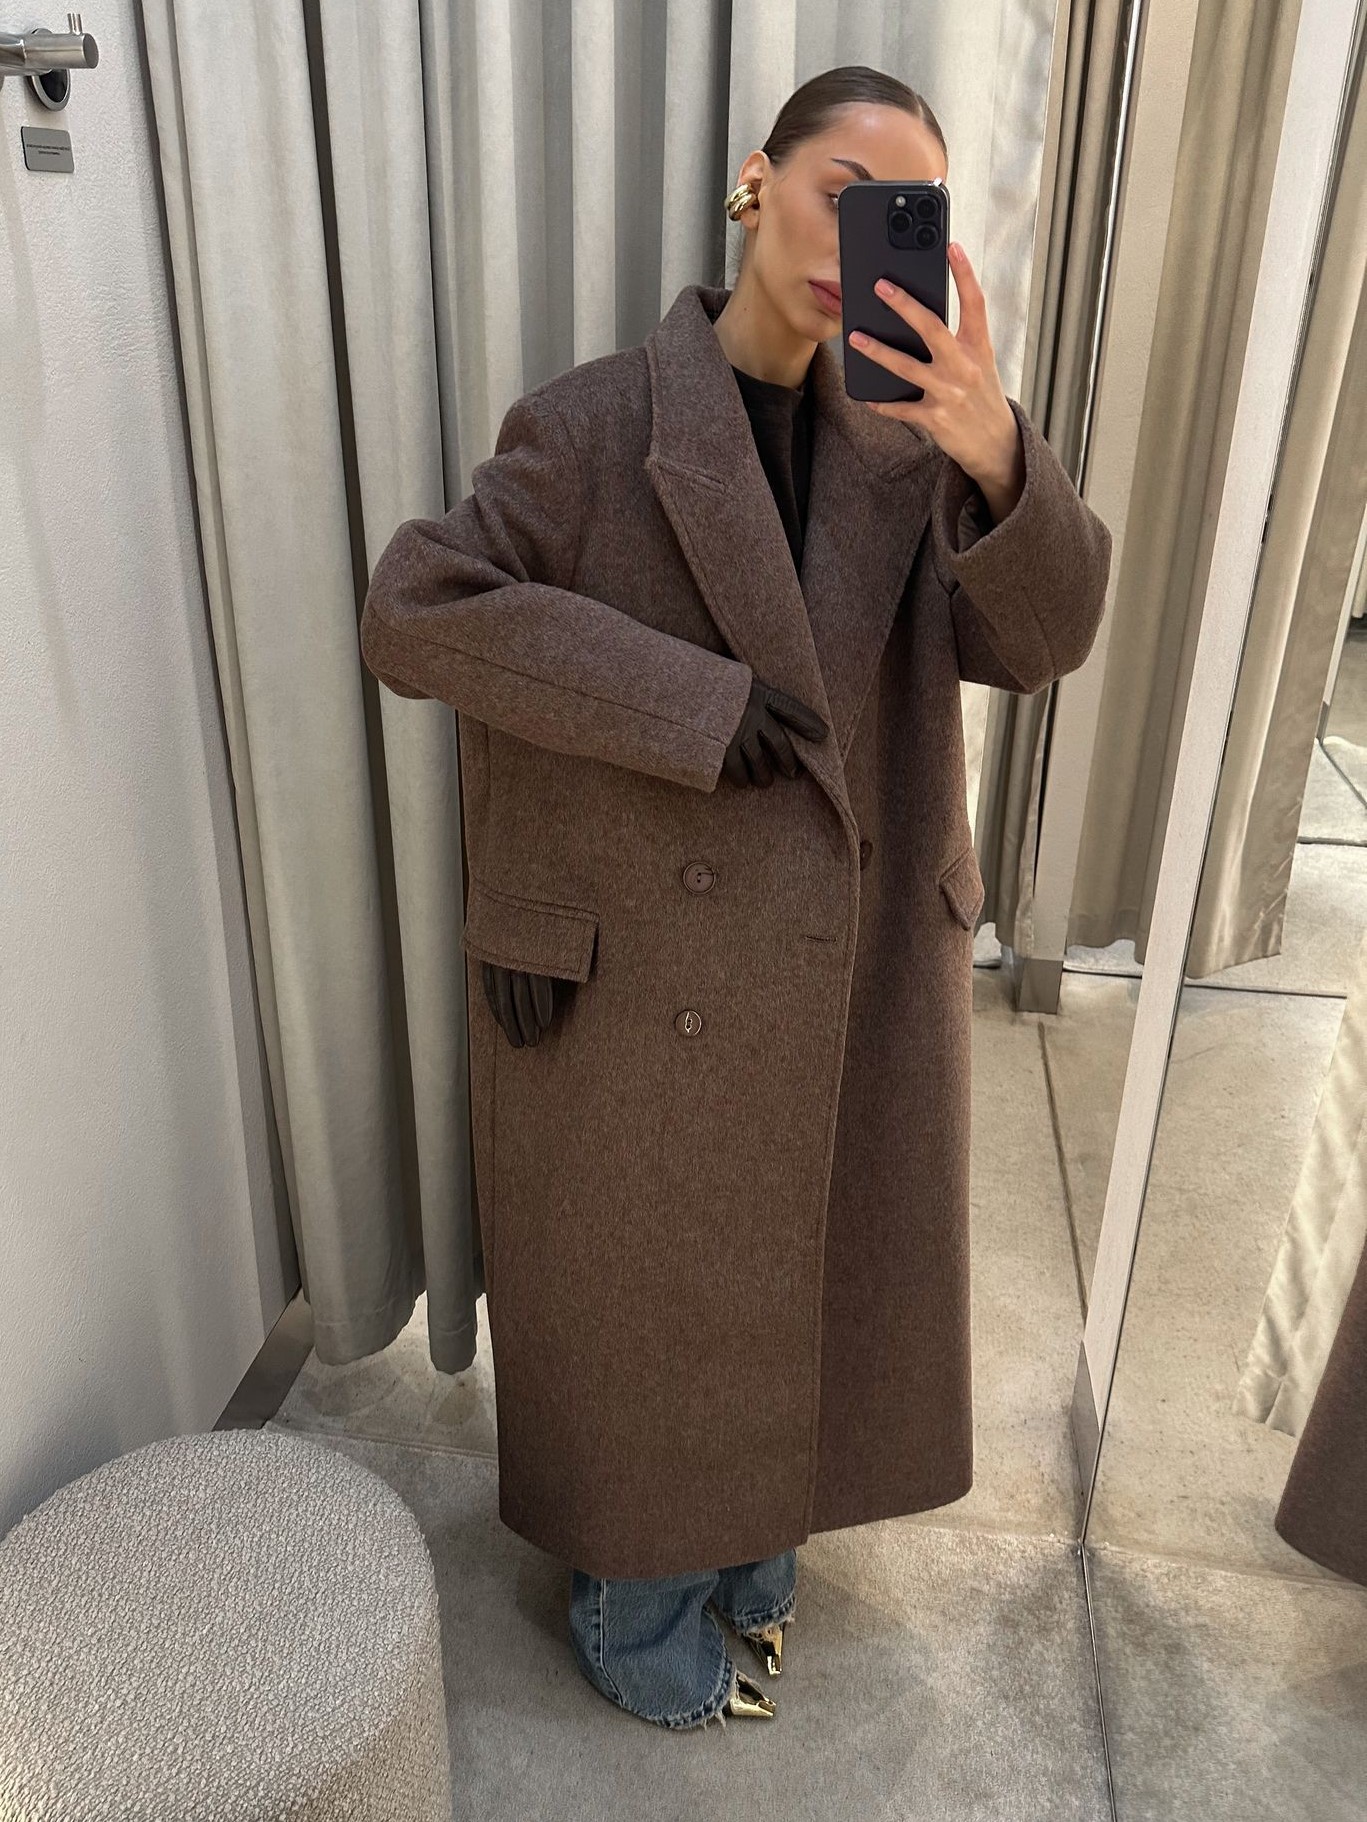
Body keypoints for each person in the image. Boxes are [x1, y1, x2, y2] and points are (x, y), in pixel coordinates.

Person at [360, 64, 1112, 1733]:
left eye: (905, 210)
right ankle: (636, 1597)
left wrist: (999, 451)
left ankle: (757, 1545)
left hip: (853, 954)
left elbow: (1044, 639)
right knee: (656, 1304)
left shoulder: (911, 444)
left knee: (813, 1276)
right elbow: (417, 610)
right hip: (646, 962)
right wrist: (690, 703)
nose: (861, 236)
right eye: (843, 189)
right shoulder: (594, 424)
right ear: (756, 185)